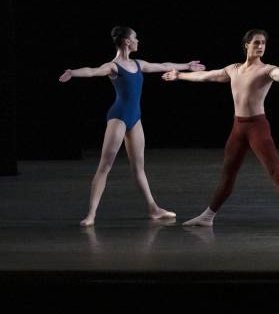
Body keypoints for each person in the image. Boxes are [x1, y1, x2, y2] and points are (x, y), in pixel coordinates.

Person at [163, 29, 279, 235]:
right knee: (227, 174)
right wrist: (179, 75)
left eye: (263, 43)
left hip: (258, 128)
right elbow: (206, 76)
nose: (260, 46)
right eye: (256, 42)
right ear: (246, 45)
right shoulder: (233, 69)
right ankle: (207, 217)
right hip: (238, 128)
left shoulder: (267, 70)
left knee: (276, 174)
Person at [59, 26, 203, 226]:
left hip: (135, 119)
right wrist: (73, 72)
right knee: (105, 166)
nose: (138, 41)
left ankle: (153, 208)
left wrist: (187, 65)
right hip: (118, 117)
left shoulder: (138, 64)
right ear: (127, 41)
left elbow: (163, 65)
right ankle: (91, 214)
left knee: (138, 166)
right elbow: (92, 71)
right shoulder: (113, 66)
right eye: (135, 38)